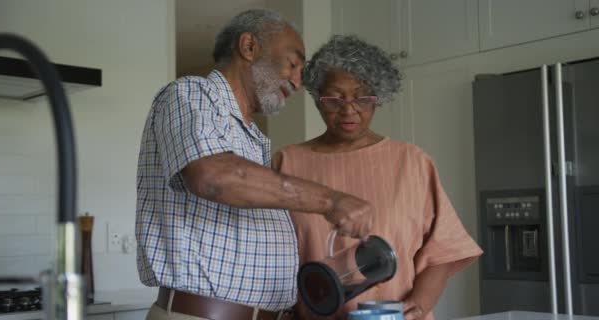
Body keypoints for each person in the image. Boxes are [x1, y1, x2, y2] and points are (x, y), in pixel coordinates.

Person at [135, 10, 374, 320]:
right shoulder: (191, 94)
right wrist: (331, 200)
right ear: (249, 47)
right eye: (293, 63)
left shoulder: (251, 139)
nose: (298, 81)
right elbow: (213, 177)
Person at [272, 35, 483, 320]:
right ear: (318, 99)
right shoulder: (288, 162)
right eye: (334, 99)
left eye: (362, 98)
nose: (348, 109)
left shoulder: (412, 162)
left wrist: (418, 305)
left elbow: (442, 251)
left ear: (378, 99)